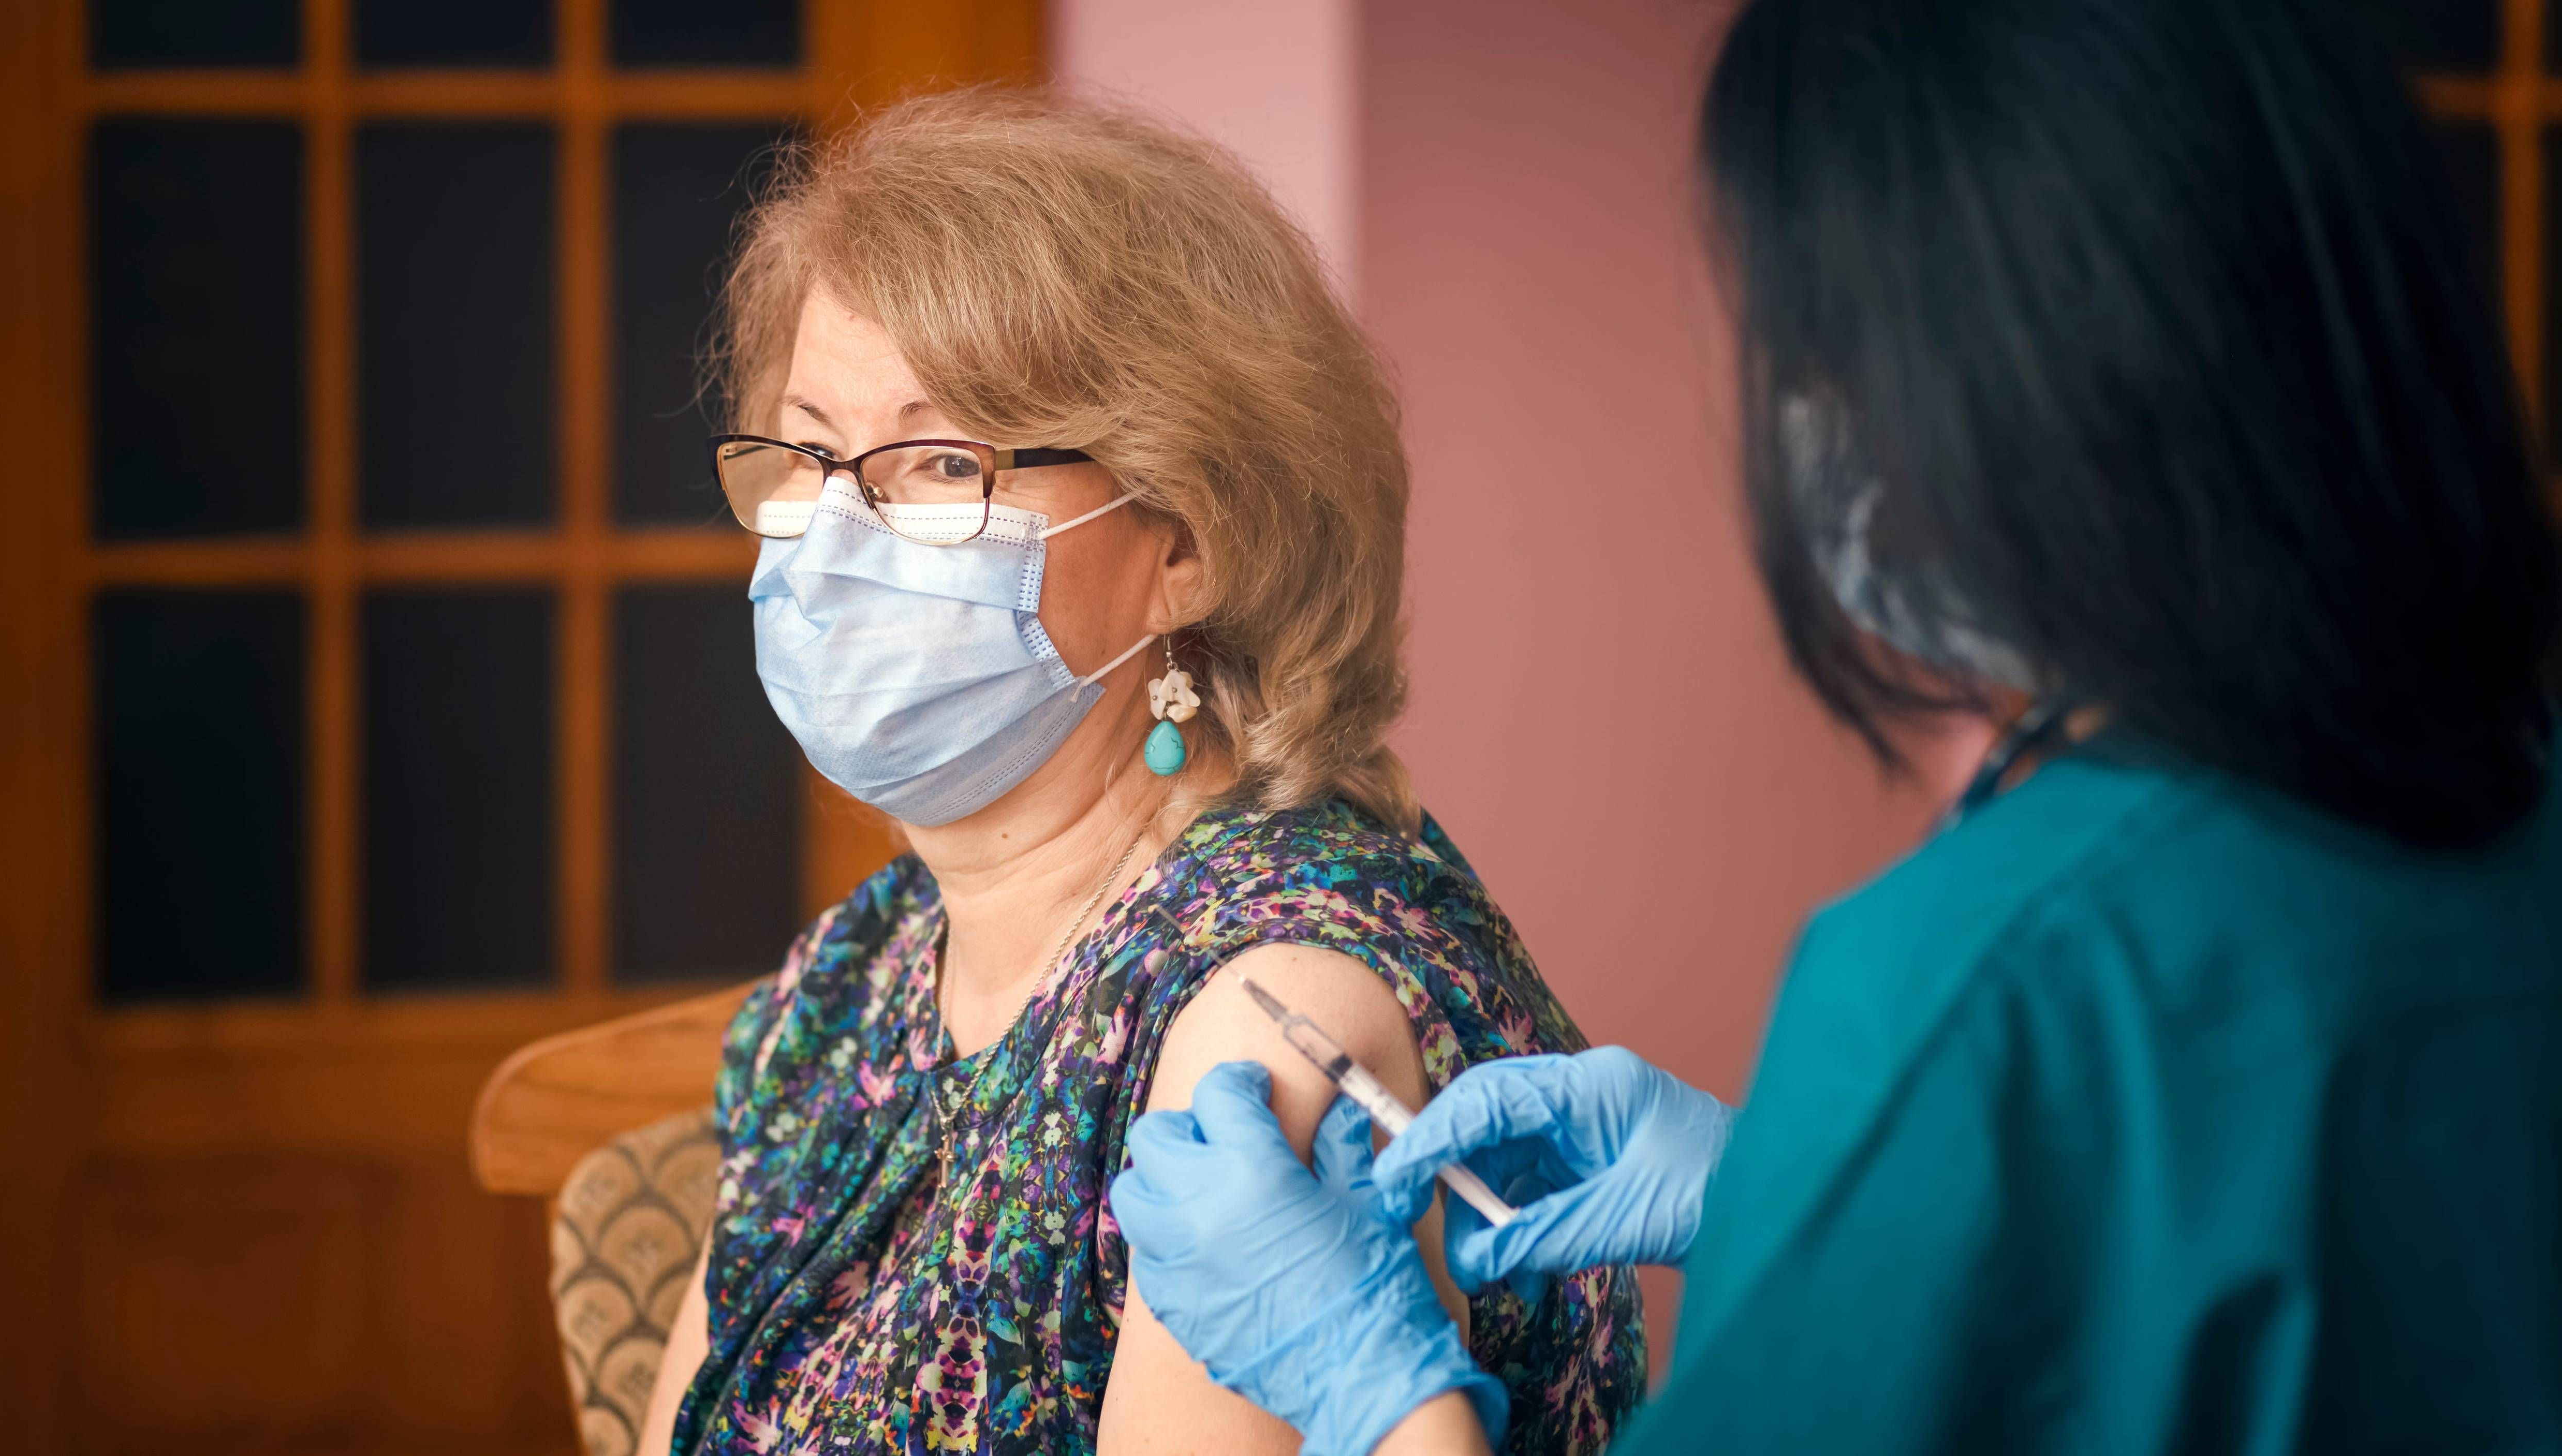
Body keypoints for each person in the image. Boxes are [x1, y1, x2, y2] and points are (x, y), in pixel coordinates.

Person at [1111, 0, 2562, 1450]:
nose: (1807, 427)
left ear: (2034, 388)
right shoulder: (2503, 823)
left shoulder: (1989, 981)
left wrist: (1376, 1391)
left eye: (1822, 355)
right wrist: (1801, 1204)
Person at [635, 91, 1646, 1456]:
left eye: (940, 462)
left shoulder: (1270, 1013)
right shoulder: (858, 973)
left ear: (1188, 543)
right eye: (810, 452)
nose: (838, 533)